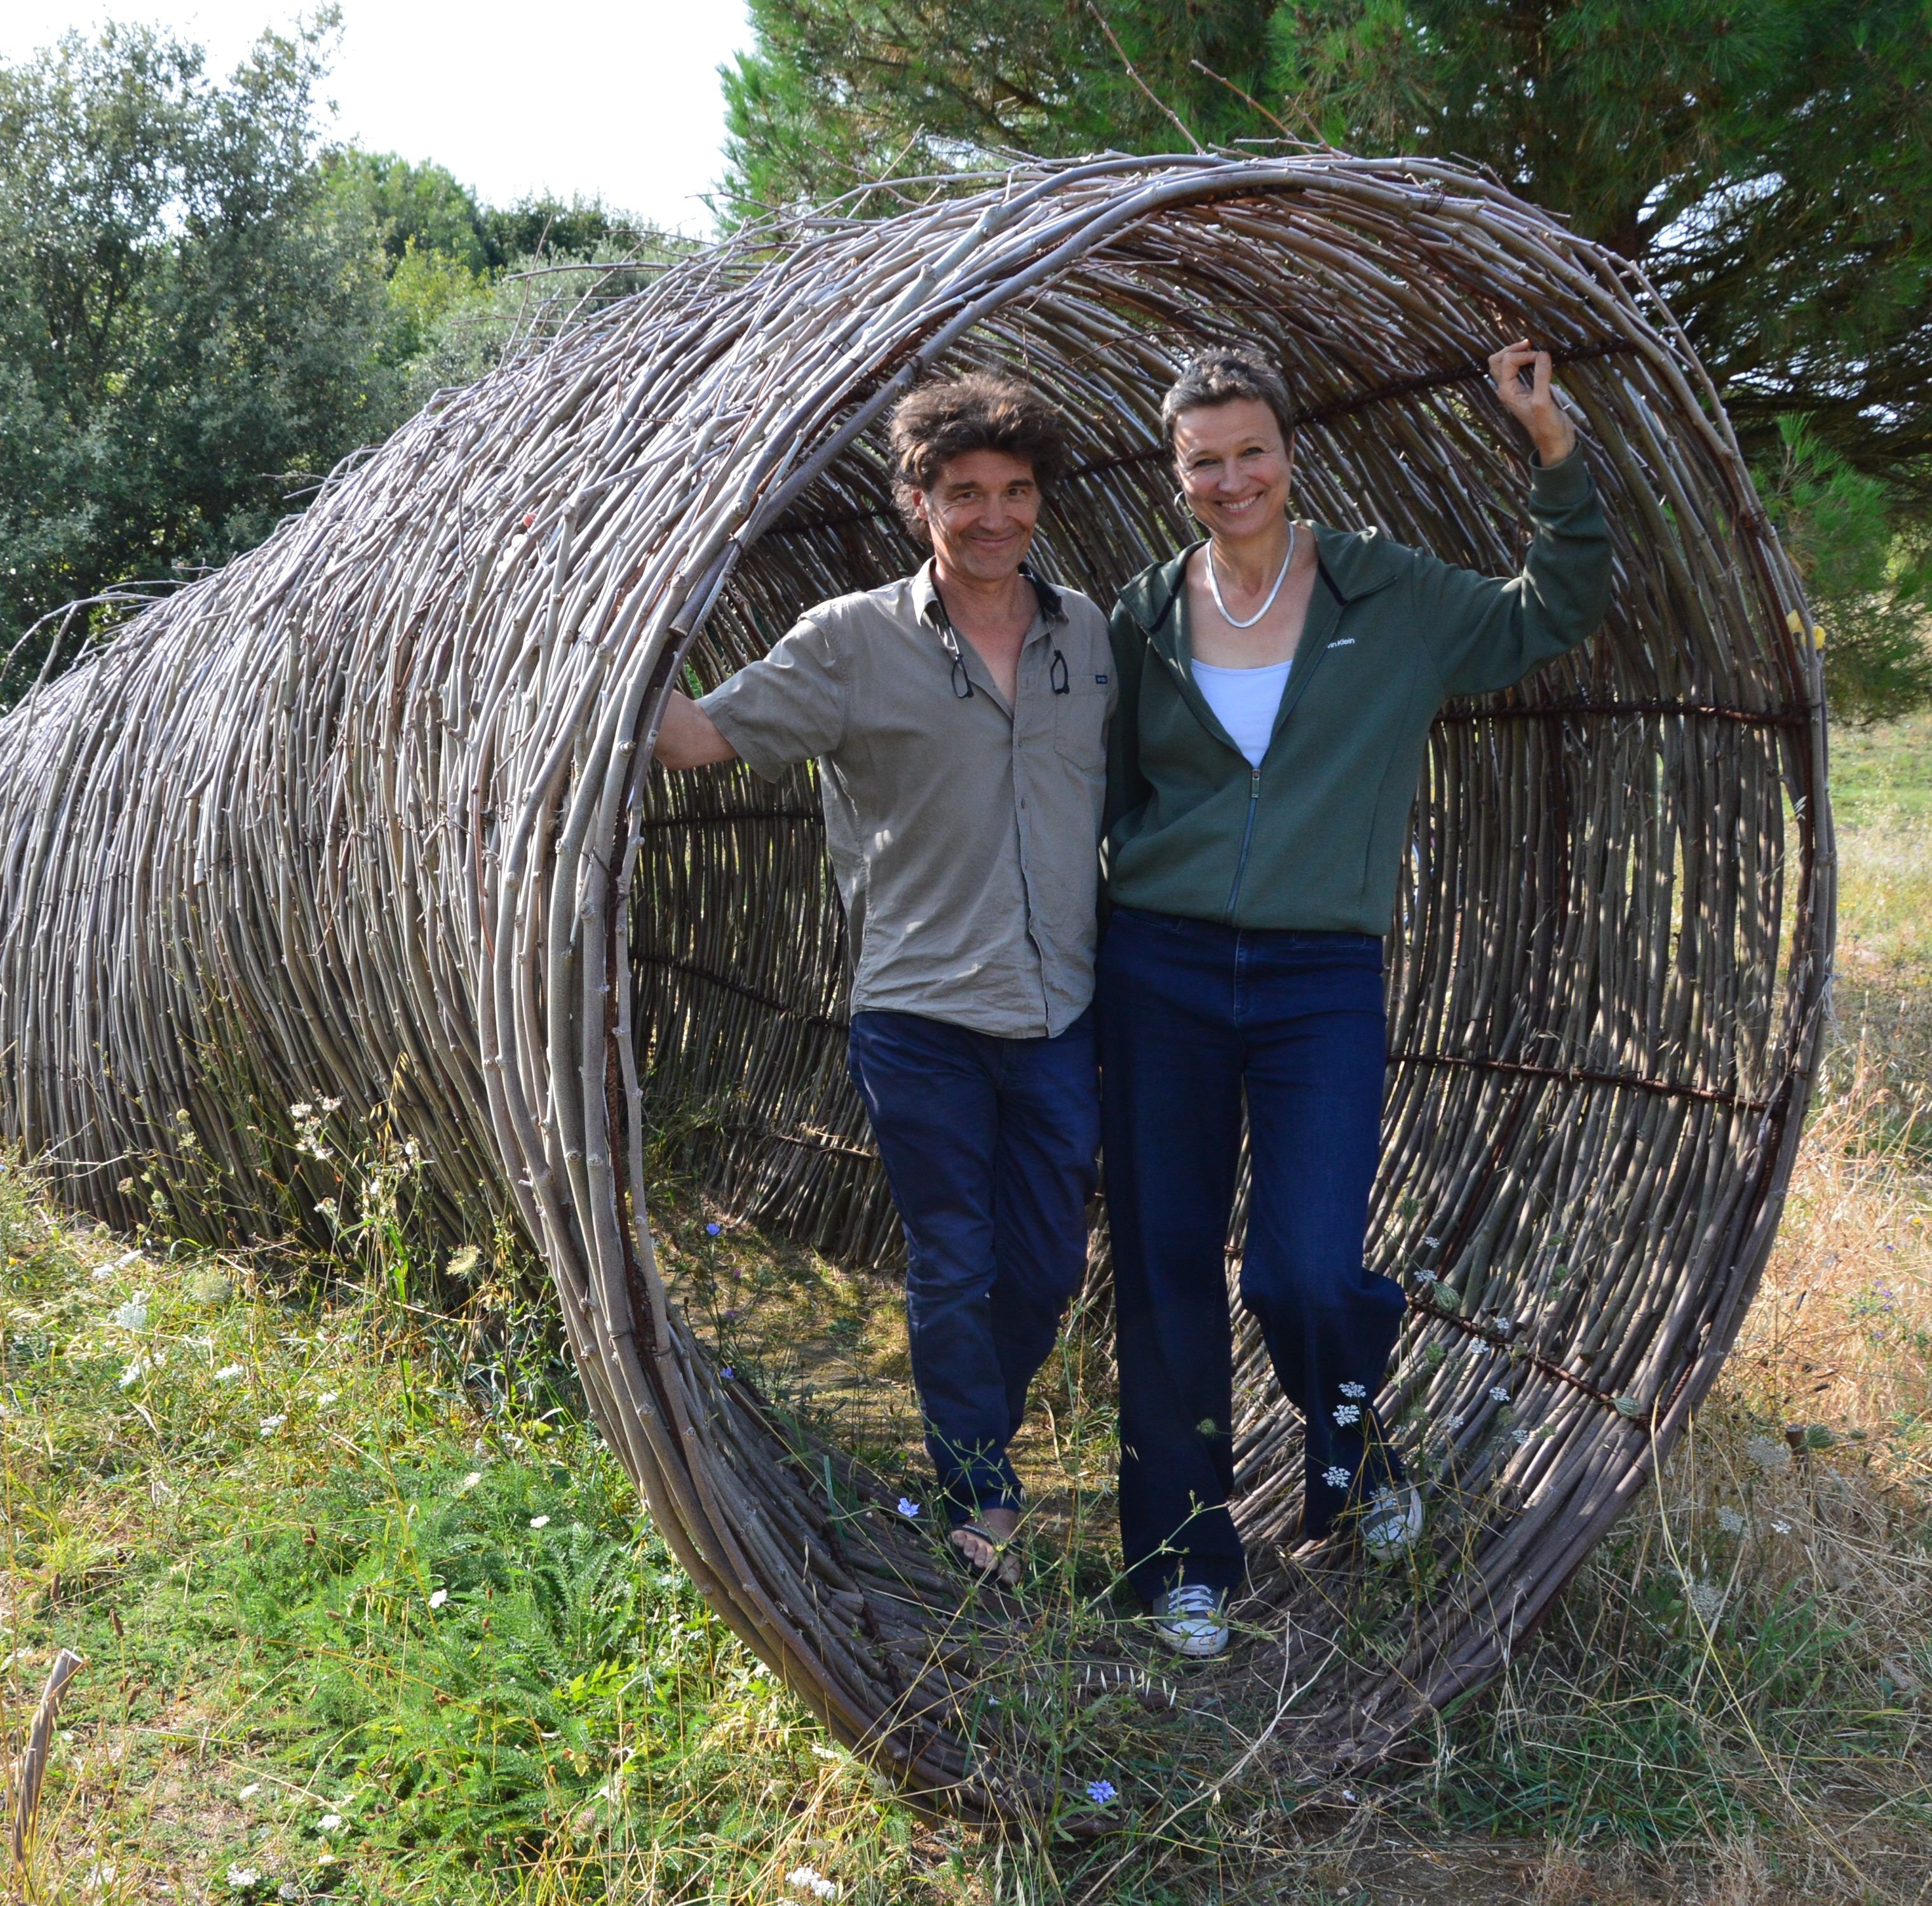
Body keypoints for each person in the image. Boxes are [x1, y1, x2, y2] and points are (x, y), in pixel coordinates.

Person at [1100, 341, 1612, 1658]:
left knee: (1308, 1263)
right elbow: (1096, 791)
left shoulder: (1387, 592)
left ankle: (1357, 1450)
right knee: (1165, 1271)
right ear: (1177, 474)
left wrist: (1550, 443)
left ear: (1290, 451)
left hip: (1317, 972)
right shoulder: (1144, 617)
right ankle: (1182, 1557)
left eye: (1251, 450)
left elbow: (1550, 609)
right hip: (1156, 966)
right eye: (1203, 460)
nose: (1232, 478)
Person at [653, 372, 1114, 1586]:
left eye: (1016, 491)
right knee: (953, 1258)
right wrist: (612, 628)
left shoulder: (1092, 637)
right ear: (918, 502)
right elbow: (698, 739)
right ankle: (979, 1491)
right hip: (919, 1012)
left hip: (1063, 1005)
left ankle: (979, 1438)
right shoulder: (850, 642)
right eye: (964, 493)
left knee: (1048, 1263)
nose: (994, 516)